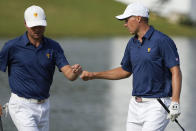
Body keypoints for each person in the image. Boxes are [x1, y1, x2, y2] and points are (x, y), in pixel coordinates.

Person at [80, 2, 182, 131]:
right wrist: (93, 75)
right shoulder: (132, 43)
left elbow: (176, 71)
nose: (125, 24)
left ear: (138, 18)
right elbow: (125, 70)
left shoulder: (162, 40)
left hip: (157, 104)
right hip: (135, 105)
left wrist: (175, 101)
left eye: (127, 20)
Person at [0, 5, 82, 131]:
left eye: (40, 25)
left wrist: (76, 72)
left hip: (44, 106)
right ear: (26, 24)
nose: (37, 29)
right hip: (21, 106)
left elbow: (69, 75)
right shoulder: (12, 47)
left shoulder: (54, 47)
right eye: (34, 26)